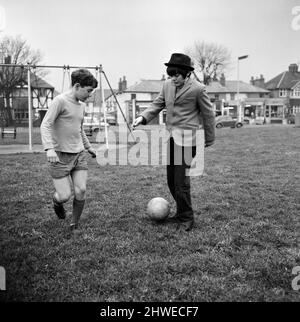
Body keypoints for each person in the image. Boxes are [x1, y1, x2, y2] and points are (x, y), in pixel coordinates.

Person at [132, 53, 215, 231]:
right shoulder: (167, 85)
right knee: (171, 180)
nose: (173, 78)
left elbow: (208, 114)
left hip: (188, 141)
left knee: (181, 182)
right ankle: (182, 211)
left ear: (187, 74)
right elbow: (157, 104)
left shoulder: (198, 89)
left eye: (177, 75)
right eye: (171, 75)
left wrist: (209, 138)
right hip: (171, 138)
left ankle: (186, 218)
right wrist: (142, 118)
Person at [40, 69, 98, 232]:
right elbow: (45, 124)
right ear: (77, 86)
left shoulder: (82, 106)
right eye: (88, 91)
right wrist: (49, 148)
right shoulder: (60, 101)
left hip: (78, 154)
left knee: (81, 190)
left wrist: (88, 147)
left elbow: (79, 129)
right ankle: (56, 202)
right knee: (64, 196)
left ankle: (74, 224)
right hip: (59, 156)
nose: (90, 95)